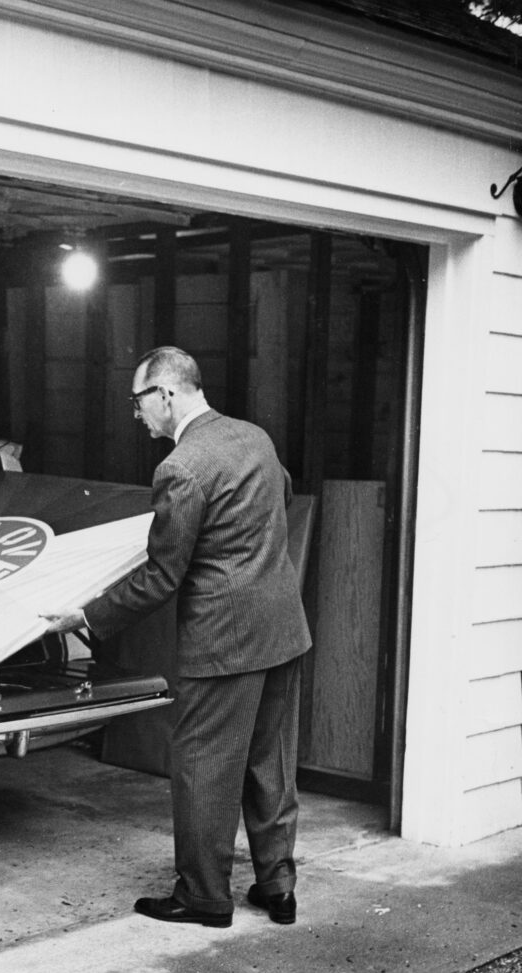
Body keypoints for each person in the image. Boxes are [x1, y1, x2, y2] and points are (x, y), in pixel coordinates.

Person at [43, 346, 311, 928]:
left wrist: (85, 618)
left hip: (225, 642)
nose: (136, 415)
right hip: (283, 628)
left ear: (166, 394)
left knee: (203, 767)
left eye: (138, 402)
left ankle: (204, 898)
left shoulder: (181, 467)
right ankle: (277, 887)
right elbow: (282, 496)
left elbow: (162, 575)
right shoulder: (254, 438)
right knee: (270, 762)